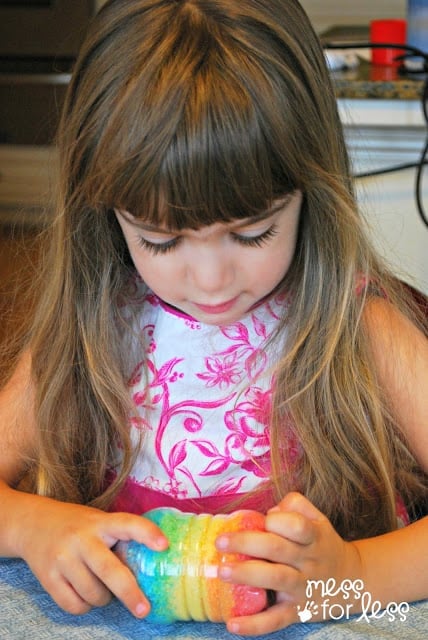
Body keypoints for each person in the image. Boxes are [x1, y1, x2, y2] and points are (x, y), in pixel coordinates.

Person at [0, 0, 427, 636]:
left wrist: (354, 573)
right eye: (161, 241)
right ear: (104, 212)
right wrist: (28, 524)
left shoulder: (359, 326)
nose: (209, 281)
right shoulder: (94, 331)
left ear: (313, 190)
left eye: (253, 233)